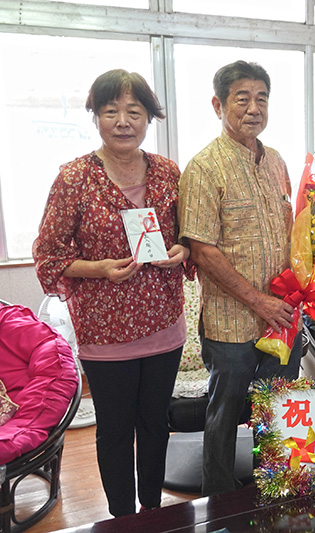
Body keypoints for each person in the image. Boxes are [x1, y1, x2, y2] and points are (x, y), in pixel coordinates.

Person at [33, 69, 190, 517]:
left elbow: (187, 238)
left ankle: (154, 510)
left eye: (134, 111)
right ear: (96, 117)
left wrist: (180, 250)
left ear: (148, 118)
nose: (123, 121)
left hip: (164, 323)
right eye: (111, 111)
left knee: (155, 425)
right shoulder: (74, 177)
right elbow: (49, 256)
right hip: (105, 333)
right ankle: (123, 517)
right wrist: (98, 269)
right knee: (116, 430)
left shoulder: (167, 172)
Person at [178, 60, 302, 497]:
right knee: (226, 410)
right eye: (242, 99)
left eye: (262, 98)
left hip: (282, 318)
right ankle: (220, 495)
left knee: (279, 404)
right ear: (218, 104)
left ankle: (276, 483)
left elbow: (296, 235)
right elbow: (203, 252)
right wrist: (258, 301)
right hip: (232, 323)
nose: (254, 108)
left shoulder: (278, 162)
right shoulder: (204, 169)